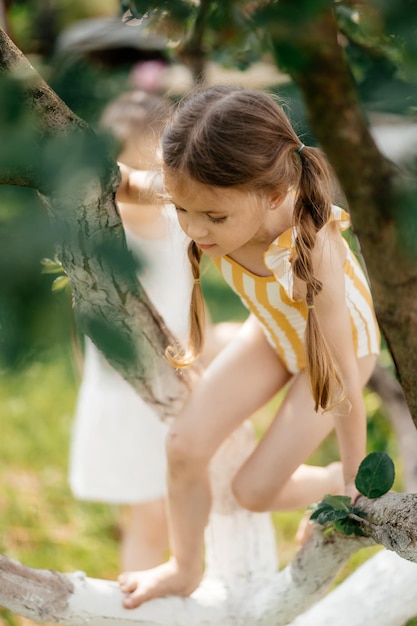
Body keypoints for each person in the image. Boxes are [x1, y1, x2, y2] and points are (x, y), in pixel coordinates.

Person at [117, 84, 380, 606]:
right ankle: (184, 568)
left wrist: (354, 474)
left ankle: (325, 480)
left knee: (252, 492)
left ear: (276, 195)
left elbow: (342, 372)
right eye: (185, 211)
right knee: (183, 447)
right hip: (274, 331)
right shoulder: (207, 194)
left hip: (333, 360)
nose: (195, 230)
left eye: (215, 218)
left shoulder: (313, 249)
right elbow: (130, 184)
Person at [69, 89, 239, 571]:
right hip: (134, 396)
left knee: (156, 518)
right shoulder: (128, 217)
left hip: (155, 381)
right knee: (149, 523)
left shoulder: (173, 215)